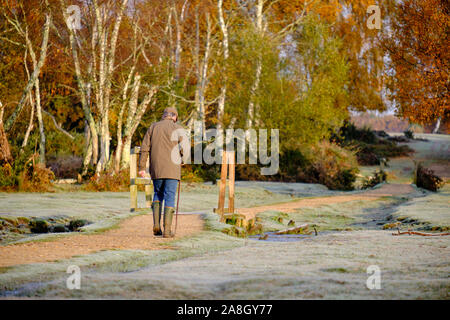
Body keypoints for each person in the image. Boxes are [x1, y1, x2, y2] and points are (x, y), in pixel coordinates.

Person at [138, 107, 189, 238]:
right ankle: (167, 231)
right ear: (175, 117)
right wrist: (183, 159)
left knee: (157, 194)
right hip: (172, 169)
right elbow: (185, 149)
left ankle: (156, 225)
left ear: (164, 116)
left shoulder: (153, 127)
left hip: (156, 168)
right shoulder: (178, 128)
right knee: (170, 196)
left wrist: (142, 167)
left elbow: (144, 148)